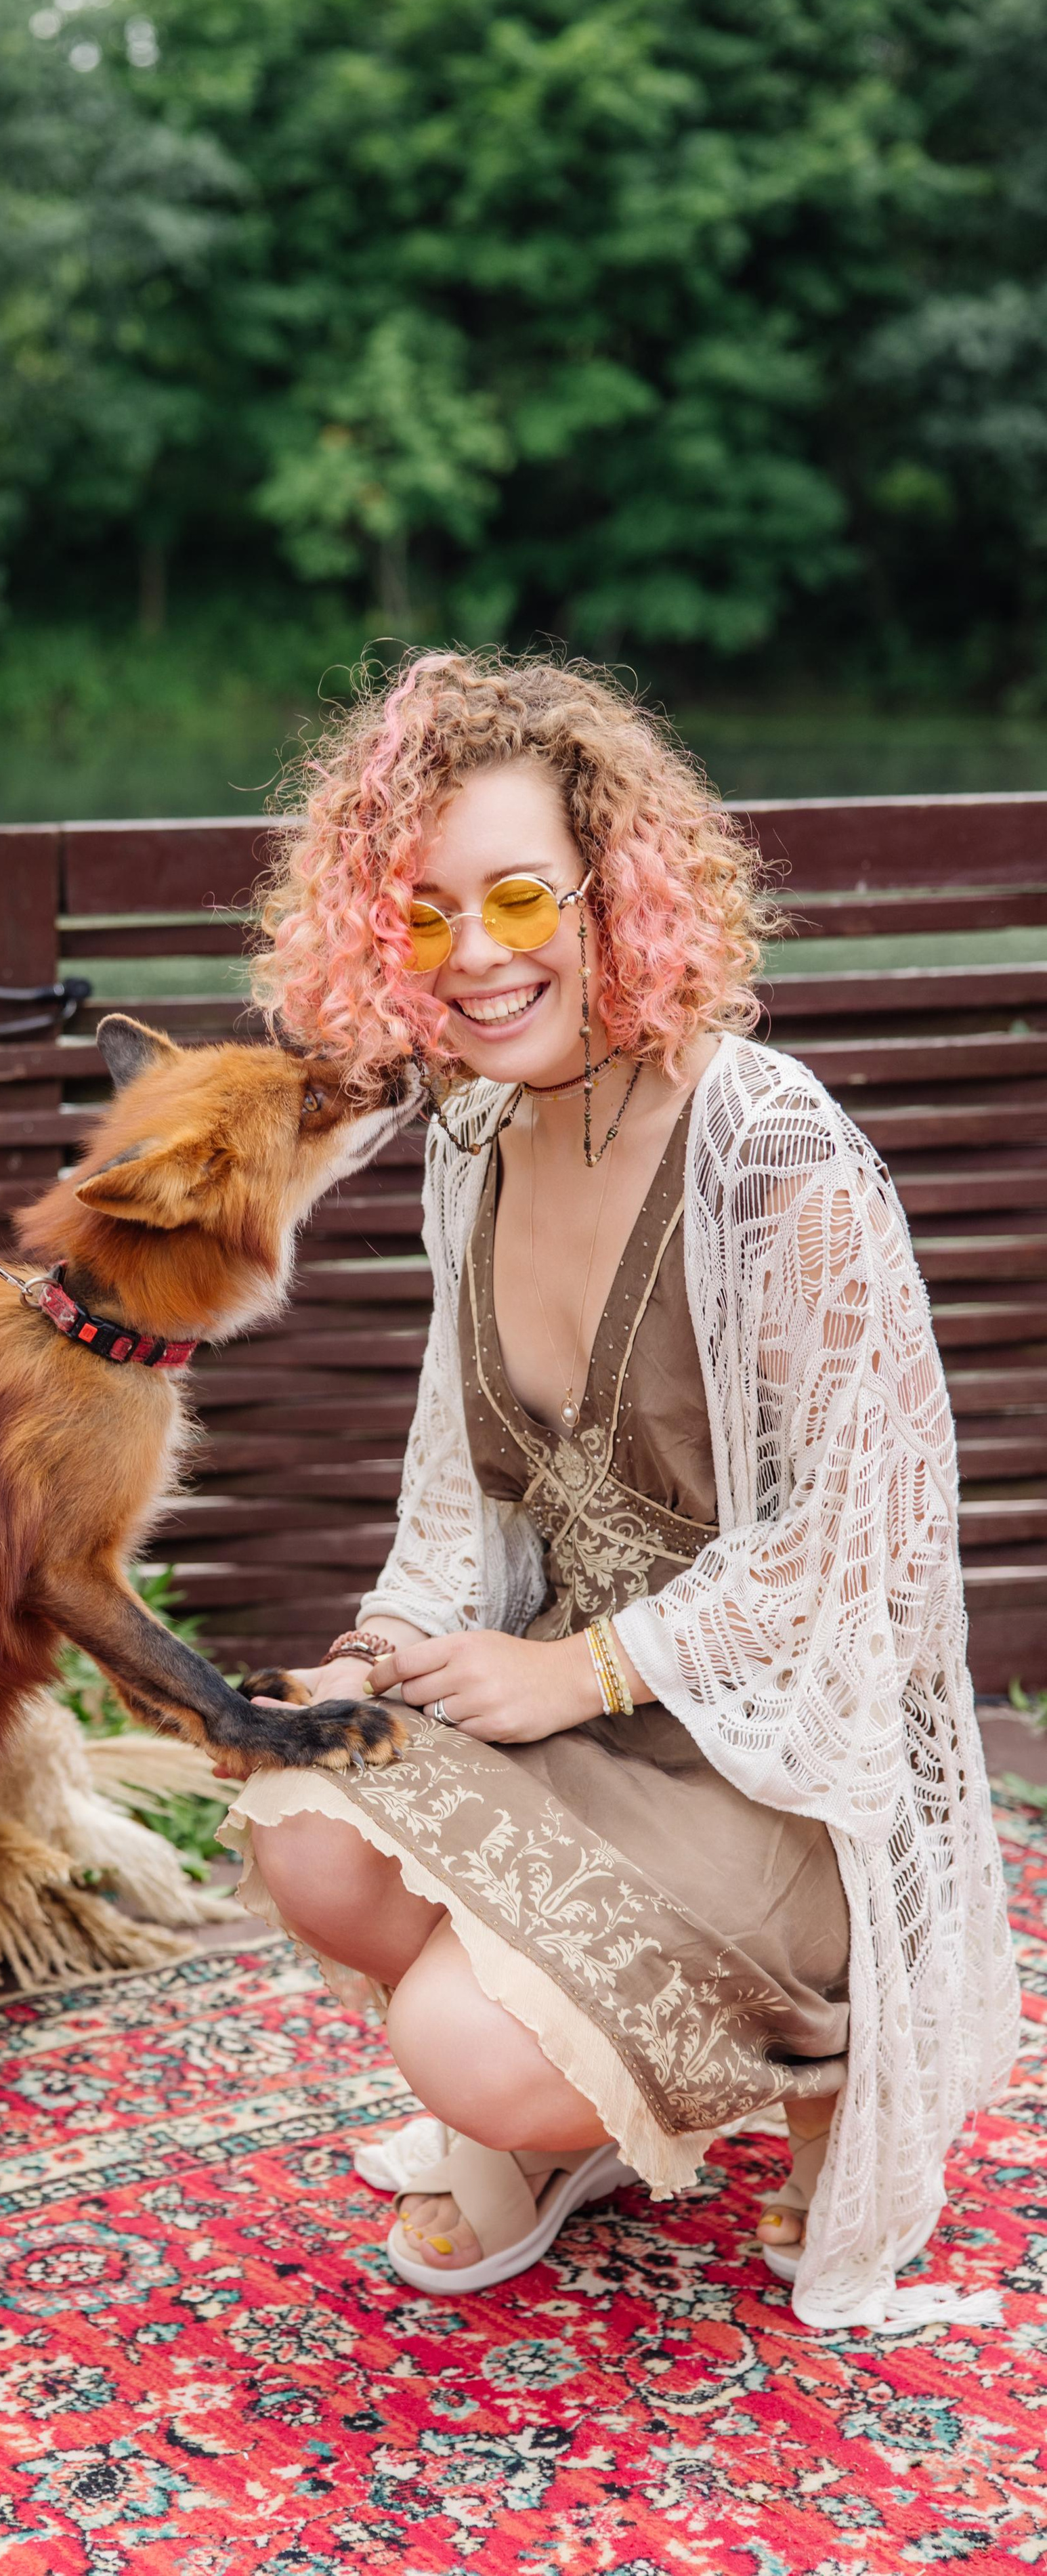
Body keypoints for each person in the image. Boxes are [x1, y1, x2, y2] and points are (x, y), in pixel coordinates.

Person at [223, 653, 1018, 2330]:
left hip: (777, 1762)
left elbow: (853, 1550)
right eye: (423, 915)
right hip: (572, 1719)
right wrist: (396, 1649)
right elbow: (460, 1487)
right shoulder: (470, 1138)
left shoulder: (765, 1150)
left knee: (449, 2037)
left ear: (615, 891)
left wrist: (570, 1674)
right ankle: (569, 2106)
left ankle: (813, 2045)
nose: (475, 957)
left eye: (516, 896)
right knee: (302, 1813)